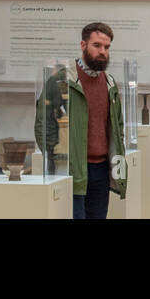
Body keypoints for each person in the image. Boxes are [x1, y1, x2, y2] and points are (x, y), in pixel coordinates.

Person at [33, 21, 127, 219]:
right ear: (83, 45)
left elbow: (118, 126)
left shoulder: (110, 83)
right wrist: (56, 158)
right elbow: (43, 123)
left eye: (107, 47)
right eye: (97, 45)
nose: (102, 52)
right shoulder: (61, 80)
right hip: (72, 169)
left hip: (101, 169)